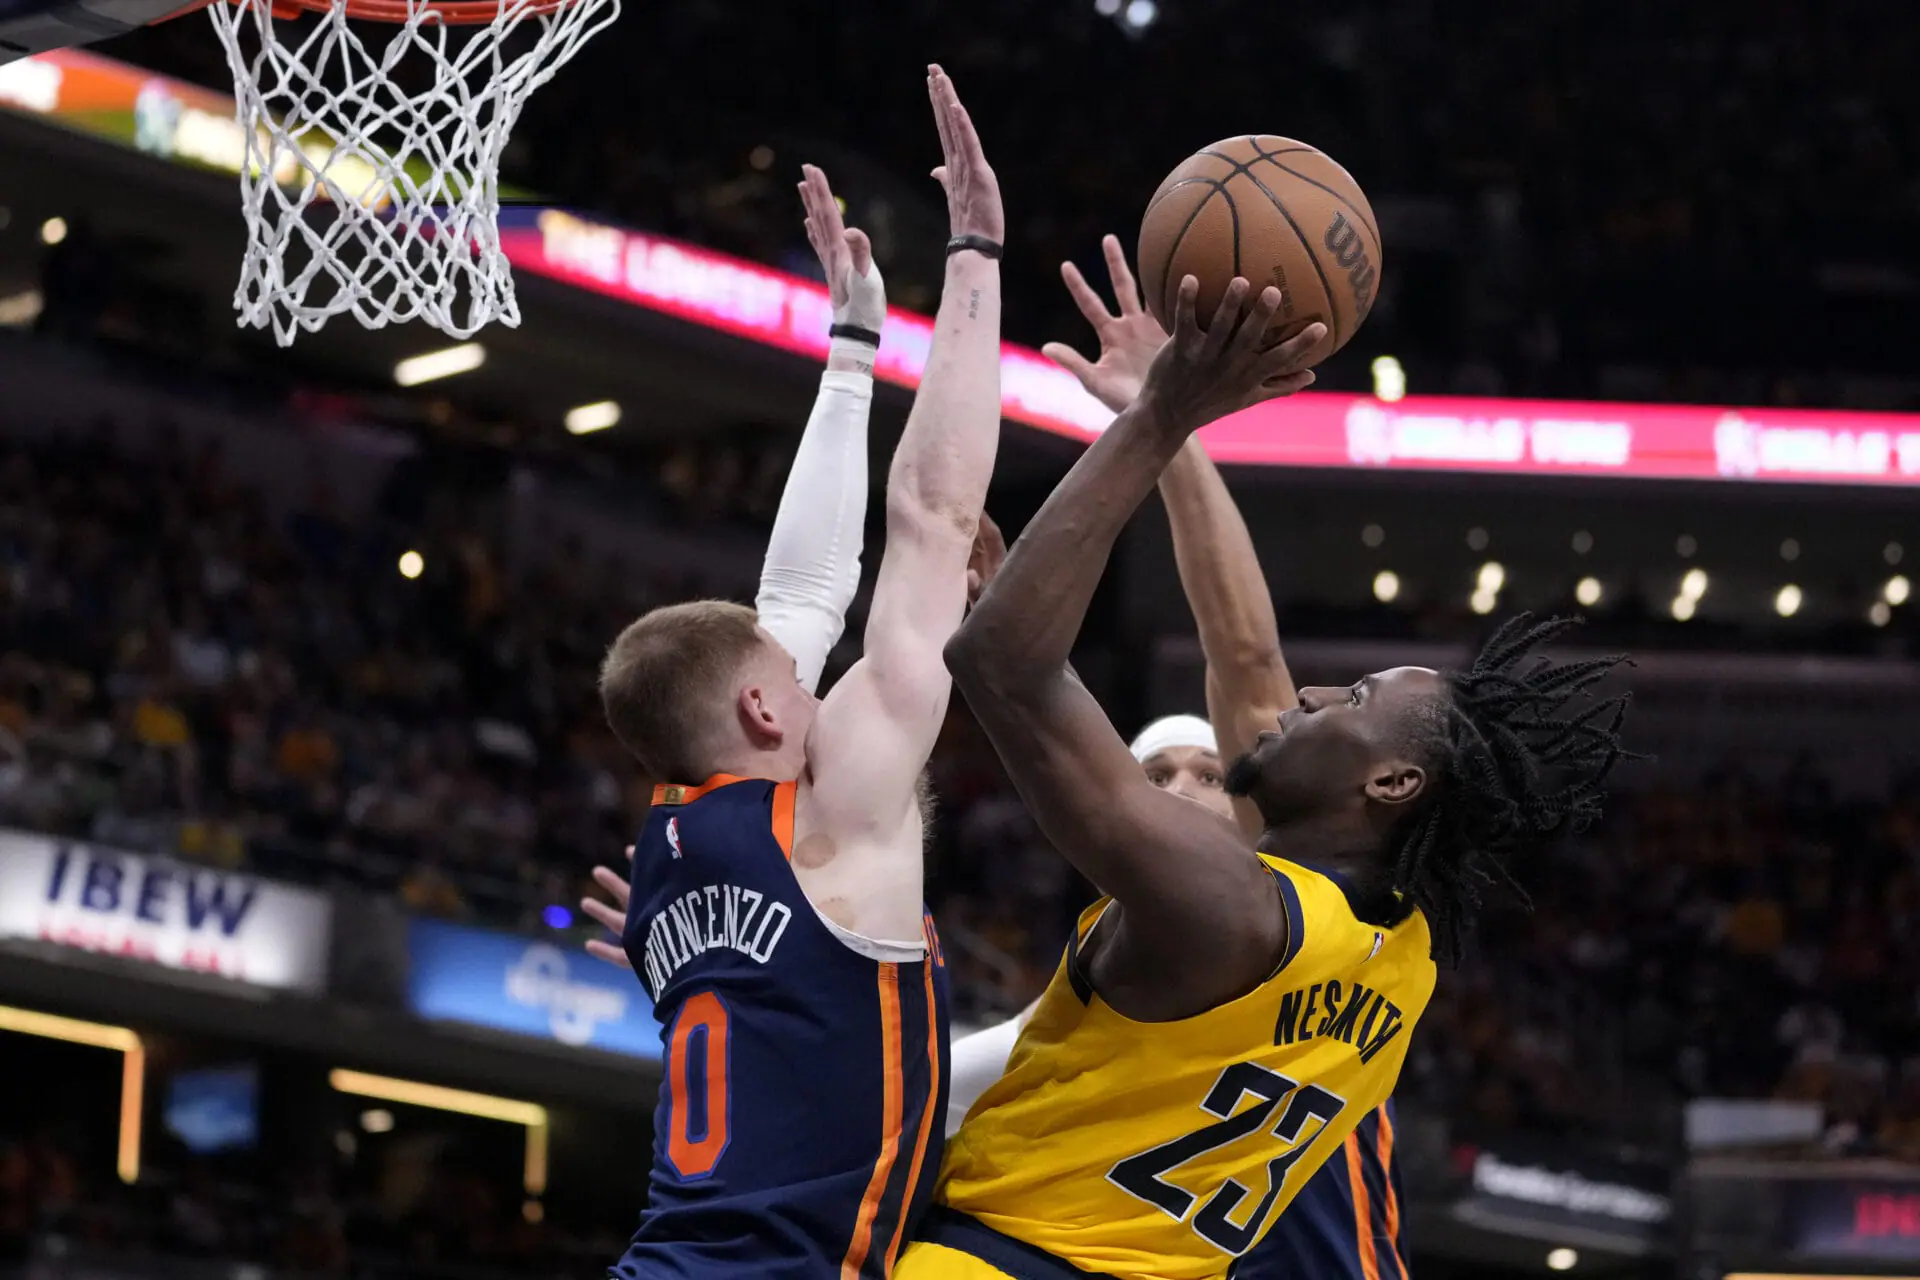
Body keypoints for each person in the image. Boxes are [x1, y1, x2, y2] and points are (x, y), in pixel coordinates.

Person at [897, 275, 1631, 1279]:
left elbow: (1003, 659)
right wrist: (1171, 426)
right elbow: (1245, 659)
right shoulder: (1401, 948)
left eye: (1357, 694)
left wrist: (1166, 412)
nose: (1317, 691)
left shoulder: (1222, 902)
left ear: (1392, 784)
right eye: (1164, 770)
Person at [598, 66, 1004, 1280]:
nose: (816, 660)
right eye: (797, 669)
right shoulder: (836, 812)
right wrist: (976, 251)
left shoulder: (672, 855)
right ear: (766, 706)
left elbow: (799, 599)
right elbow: (931, 515)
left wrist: (855, 347)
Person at [942, 239, 1411, 1280]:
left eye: (1208, 768)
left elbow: (1245, 655)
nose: (1192, 786)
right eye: (1158, 779)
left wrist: (1167, 422)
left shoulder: (1275, 892)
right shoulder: (1343, 931)